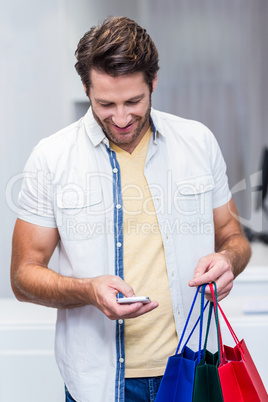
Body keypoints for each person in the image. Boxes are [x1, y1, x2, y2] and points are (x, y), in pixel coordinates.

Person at [11, 16, 251, 402]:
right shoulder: (51, 158)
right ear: (86, 90)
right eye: (105, 104)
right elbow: (23, 276)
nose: (121, 118)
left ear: (153, 83)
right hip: (100, 386)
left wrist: (227, 261)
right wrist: (89, 290)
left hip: (194, 373)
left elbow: (233, 237)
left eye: (133, 101)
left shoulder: (198, 142)